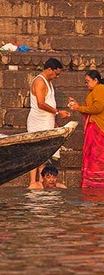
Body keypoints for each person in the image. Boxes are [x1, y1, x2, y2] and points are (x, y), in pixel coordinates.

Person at [68, 71, 104, 189]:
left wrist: (78, 107)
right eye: (85, 82)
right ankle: (93, 184)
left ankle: (103, 185)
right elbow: (90, 110)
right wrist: (77, 106)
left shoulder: (100, 89)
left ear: (96, 80)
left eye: (88, 81)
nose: (87, 84)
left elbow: (97, 108)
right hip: (99, 129)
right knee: (95, 158)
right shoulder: (94, 91)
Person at [26, 58, 70, 187]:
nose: (56, 76)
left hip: (46, 121)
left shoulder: (49, 82)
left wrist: (54, 121)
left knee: (43, 154)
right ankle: (33, 182)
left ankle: (41, 181)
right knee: (35, 153)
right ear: (49, 69)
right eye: (56, 73)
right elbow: (40, 103)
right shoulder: (39, 81)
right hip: (37, 121)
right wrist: (57, 112)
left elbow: (49, 102)